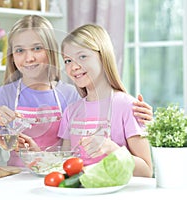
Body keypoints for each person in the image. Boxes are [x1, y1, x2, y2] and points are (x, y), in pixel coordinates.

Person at [0, 15, 153, 167]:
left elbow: (70, 156)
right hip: (17, 180)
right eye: (19, 50)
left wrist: (147, 120)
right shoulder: (4, 95)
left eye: (37, 48)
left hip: (58, 179)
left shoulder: (72, 95)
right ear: (12, 56)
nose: (29, 58)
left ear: (51, 51)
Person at [57, 24, 153, 177]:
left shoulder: (127, 106)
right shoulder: (71, 112)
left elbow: (146, 170)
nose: (74, 66)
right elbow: (65, 165)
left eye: (82, 56)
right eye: (68, 60)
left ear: (103, 56)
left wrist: (112, 149)